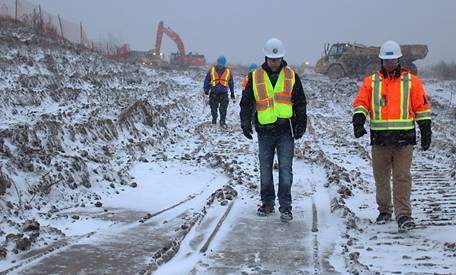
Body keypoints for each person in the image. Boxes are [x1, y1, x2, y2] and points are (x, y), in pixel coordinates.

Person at [352, 40, 432, 232]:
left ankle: (403, 215)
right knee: (381, 178)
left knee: (402, 177)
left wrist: (425, 129)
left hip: (404, 140)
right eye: (386, 60)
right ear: (381, 61)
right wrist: (358, 120)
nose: (389, 63)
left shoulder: (412, 81)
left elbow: (421, 107)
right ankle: (384, 210)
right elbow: (361, 102)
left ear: (398, 60)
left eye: (392, 60)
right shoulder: (370, 82)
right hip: (380, 140)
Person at [240, 38, 307, 222]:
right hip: (265, 131)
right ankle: (267, 203)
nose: (274, 62)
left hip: (286, 131)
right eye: (271, 58)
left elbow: (300, 102)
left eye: (276, 59)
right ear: (266, 57)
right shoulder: (256, 77)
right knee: (265, 168)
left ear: (282, 57)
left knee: (286, 170)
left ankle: (286, 207)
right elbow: (246, 102)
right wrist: (245, 122)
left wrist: (301, 123)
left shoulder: (291, 76)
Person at [203, 55, 235, 127]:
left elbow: (231, 82)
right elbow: (207, 80)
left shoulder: (228, 71)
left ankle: (222, 121)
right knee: (213, 108)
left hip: (223, 94)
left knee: (223, 109)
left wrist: (232, 92)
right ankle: (214, 119)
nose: (220, 66)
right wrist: (206, 89)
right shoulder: (212, 70)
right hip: (214, 93)